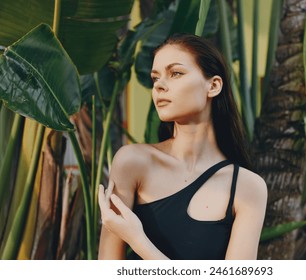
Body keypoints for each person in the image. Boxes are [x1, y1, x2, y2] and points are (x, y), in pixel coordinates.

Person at [98, 33, 267, 260]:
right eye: (155, 78)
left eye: (175, 73)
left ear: (213, 86)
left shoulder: (247, 187)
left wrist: (138, 240)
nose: (159, 86)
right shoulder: (133, 162)